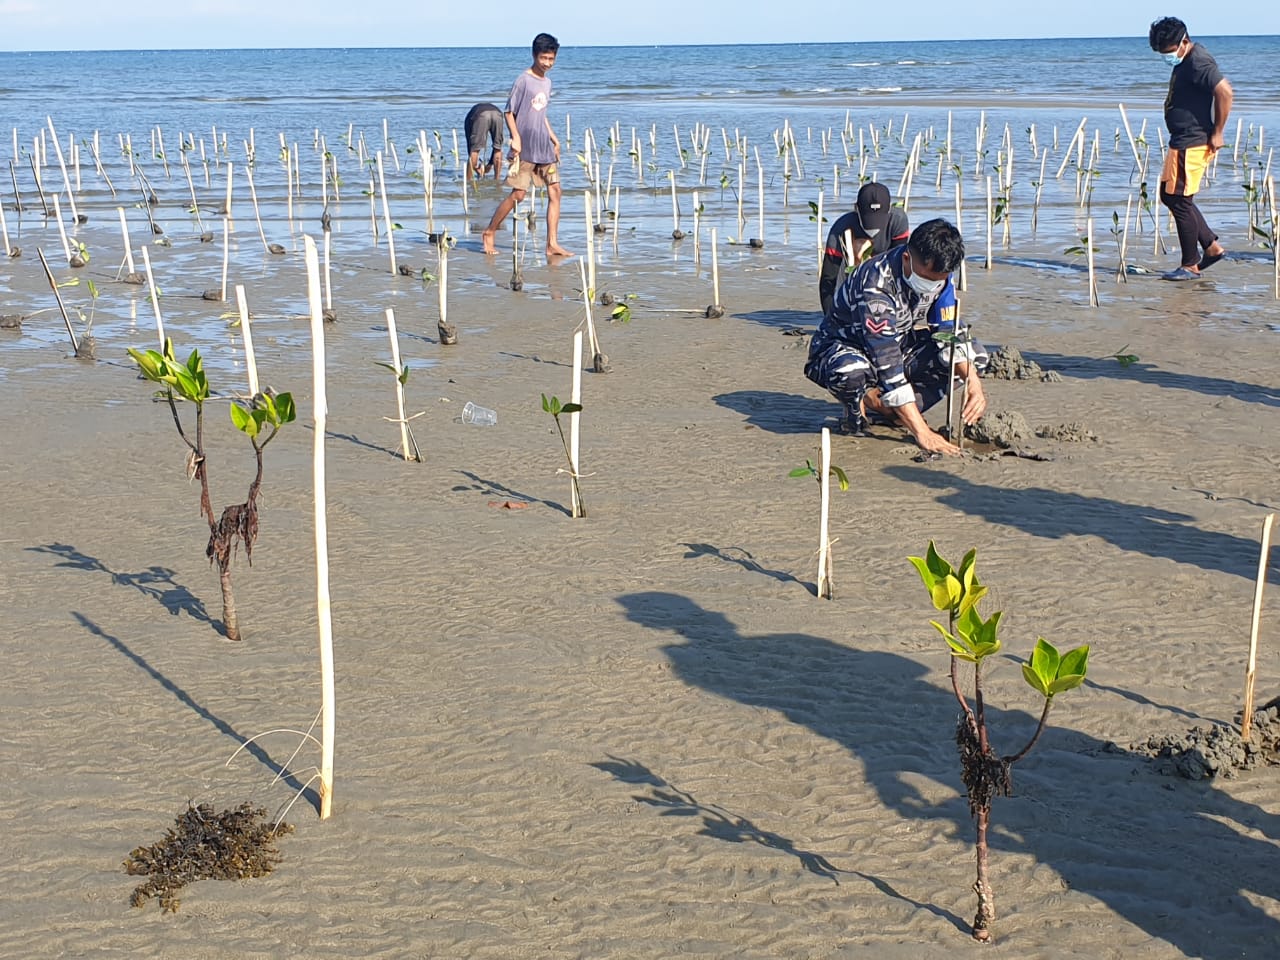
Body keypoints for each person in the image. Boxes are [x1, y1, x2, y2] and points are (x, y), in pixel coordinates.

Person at [804, 218, 988, 457]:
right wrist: (923, 433)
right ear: (906, 259)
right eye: (927, 279)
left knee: (975, 356)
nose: (932, 287)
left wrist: (973, 382)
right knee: (850, 371)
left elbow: (948, 332)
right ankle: (859, 410)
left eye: (939, 280)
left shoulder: (942, 277)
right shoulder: (876, 285)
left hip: (898, 341)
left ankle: (891, 409)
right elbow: (887, 361)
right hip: (843, 348)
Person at [1148, 16, 1232, 281]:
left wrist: (1218, 132)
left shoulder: (1198, 61)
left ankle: (1190, 265)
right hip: (1182, 140)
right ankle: (1211, 247)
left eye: (1169, 52)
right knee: (1169, 195)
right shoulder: (1186, 59)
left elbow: (1225, 92)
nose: (1166, 57)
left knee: (1180, 201)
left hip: (1191, 141)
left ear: (1183, 42)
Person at [481, 33, 573, 259]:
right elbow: (509, 112)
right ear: (534, 55)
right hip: (525, 148)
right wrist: (516, 138)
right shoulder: (524, 80)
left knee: (556, 191)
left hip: (544, 147)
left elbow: (541, 114)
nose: (548, 63)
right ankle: (489, 231)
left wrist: (554, 138)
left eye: (552, 59)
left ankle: (552, 244)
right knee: (519, 195)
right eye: (544, 58)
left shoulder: (548, 82)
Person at [818, 182, 910, 315]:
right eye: (869, 218)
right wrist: (829, 317)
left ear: (889, 209)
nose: (874, 227)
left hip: (884, 269)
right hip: (851, 271)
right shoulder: (842, 228)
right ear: (856, 208)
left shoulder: (897, 221)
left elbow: (899, 270)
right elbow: (828, 278)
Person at [464, 102, 505, 183]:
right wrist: (489, 164)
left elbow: (471, 150)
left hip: (481, 115)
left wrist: (476, 167)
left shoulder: (468, 120)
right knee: (498, 148)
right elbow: (496, 147)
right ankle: (497, 180)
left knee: (475, 150)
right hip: (498, 114)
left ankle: (468, 181)